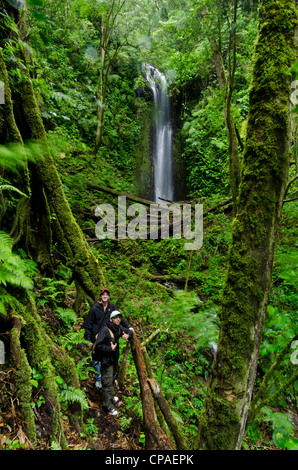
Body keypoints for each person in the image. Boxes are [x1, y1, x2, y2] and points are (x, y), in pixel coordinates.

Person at [84, 287, 133, 389]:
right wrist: (88, 339)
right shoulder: (94, 309)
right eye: (103, 295)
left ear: (109, 296)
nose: (105, 296)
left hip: (108, 337)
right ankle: (98, 379)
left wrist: (128, 327)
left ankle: (106, 380)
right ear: (100, 296)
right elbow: (88, 324)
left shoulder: (112, 307)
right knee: (96, 359)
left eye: (106, 295)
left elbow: (120, 318)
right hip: (96, 336)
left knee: (107, 357)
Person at [92, 310, 133, 416]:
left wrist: (127, 335)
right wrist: (110, 349)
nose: (118, 319)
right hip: (106, 362)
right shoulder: (105, 331)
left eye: (119, 317)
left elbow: (130, 331)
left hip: (113, 361)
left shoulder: (118, 329)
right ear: (111, 319)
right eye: (115, 317)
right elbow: (99, 346)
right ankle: (107, 406)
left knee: (111, 380)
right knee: (107, 383)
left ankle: (110, 397)